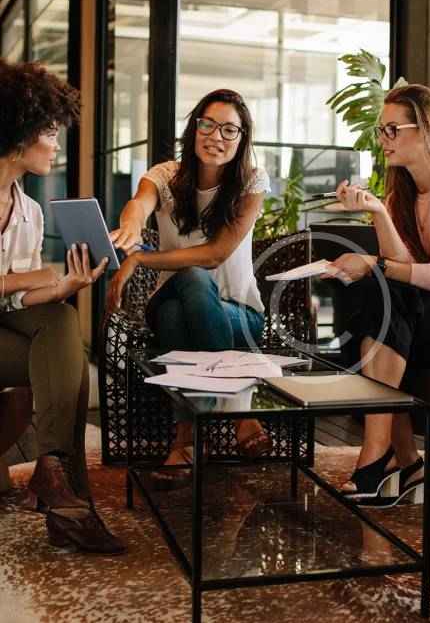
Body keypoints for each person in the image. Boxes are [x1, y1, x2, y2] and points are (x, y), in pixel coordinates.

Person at [322, 83, 430, 506]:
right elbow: (402, 267)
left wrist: (375, 264)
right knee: (373, 298)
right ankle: (402, 461)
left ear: (424, 129)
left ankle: (383, 456)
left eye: (392, 130)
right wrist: (378, 212)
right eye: (381, 130)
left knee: (382, 300)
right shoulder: (403, 193)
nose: (383, 139)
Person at [108, 89, 272, 482]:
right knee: (188, 284)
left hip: (239, 313)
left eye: (229, 130)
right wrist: (131, 224)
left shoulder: (252, 182)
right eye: (208, 125)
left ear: (242, 139)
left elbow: (215, 254)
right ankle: (239, 413)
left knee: (178, 309)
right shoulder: (166, 175)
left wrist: (140, 258)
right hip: (173, 295)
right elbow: (140, 203)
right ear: (194, 128)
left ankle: (186, 440)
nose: (216, 136)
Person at [0, 59, 125, 554]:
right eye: (50, 133)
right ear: (20, 131)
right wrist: (34, 276)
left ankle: (54, 472)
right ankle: (70, 506)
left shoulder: (29, 211)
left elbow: (18, 301)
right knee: (67, 354)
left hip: (7, 327)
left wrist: (63, 285)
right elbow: (20, 285)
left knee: (61, 319)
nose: (56, 145)